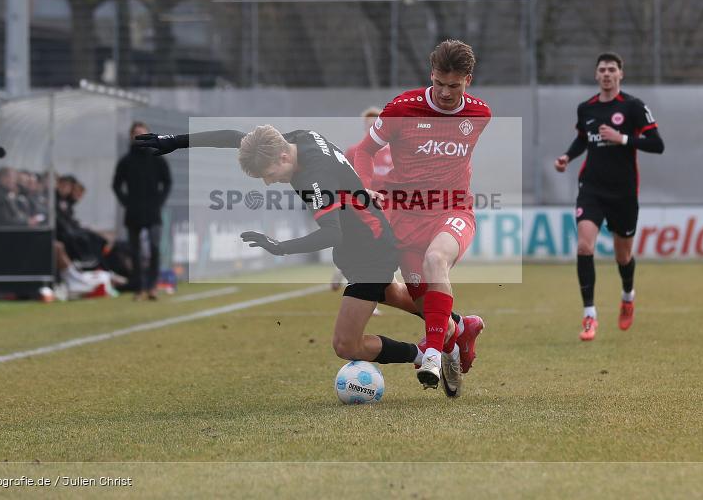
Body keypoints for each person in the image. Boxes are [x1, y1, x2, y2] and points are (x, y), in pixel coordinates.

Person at [134, 126, 467, 382]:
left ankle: (421, 354)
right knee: (393, 294)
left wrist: (279, 247)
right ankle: (458, 325)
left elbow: (331, 233)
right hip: (364, 238)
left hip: (368, 248)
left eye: (269, 176)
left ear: (282, 159)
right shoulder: (294, 138)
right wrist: (174, 141)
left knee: (346, 345)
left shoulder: (313, 178)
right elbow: (235, 137)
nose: (268, 183)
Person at [350, 39, 489, 394]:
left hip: (455, 210)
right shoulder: (402, 108)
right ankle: (460, 334)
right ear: (431, 75)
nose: (444, 92)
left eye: (453, 86)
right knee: (428, 308)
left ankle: (431, 354)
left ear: (468, 80)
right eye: (439, 83)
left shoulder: (479, 114)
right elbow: (364, 151)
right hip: (407, 219)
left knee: (436, 258)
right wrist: (366, 188)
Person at [553, 52, 665, 341]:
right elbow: (582, 138)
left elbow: (657, 144)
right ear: (596, 74)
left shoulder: (633, 106)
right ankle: (589, 315)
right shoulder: (586, 108)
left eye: (611, 69)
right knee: (584, 247)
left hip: (624, 192)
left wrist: (622, 138)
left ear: (620, 74)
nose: (606, 73)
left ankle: (628, 295)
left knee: (623, 255)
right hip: (591, 189)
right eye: (602, 69)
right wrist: (567, 156)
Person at [330, 106, 394, 301]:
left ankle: (373, 291)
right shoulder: (354, 152)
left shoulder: (394, 153)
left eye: (375, 124)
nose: (371, 127)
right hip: (363, 208)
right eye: (368, 124)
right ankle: (343, 272)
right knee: (366, 250)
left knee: (383, 252)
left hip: (389, 208)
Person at [113, 122, 172, 301]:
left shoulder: (157, 157)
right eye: (136, 134)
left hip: (153, 212)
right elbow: (116, 185)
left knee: (154, 248)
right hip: (134, 213)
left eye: (142, 133)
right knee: (135, 251)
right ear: (131, 137)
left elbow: (167, 182)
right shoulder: (126, 161)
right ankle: (139, 288)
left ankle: (152, 286)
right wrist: (126, 203)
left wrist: (159, 202)